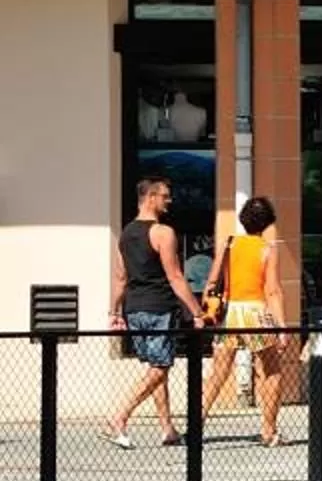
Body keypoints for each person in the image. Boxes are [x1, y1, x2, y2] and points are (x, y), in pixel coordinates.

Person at [108, 177, 207, 448]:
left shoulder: (125, 234)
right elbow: (175, 276)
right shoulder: (163, 232)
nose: (169, 200)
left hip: (134, 308)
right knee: (161, 366)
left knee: (156, 365)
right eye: (165, 195)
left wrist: (114, 311)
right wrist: (197, 311)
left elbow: (120, 278)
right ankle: (120, 416)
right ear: (150, 197)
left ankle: (167, 428)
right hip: (159, 306)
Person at [198, 196, 294, 447]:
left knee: (218, 372)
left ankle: (196, 423)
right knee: (271, 370)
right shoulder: (267, 249)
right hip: (256, 312)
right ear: (268, 222)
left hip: (230, 313)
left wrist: (208, 309)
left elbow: (212, 281)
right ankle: (269, 430)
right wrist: (282, 326)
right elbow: (272, 290)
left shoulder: (228, 244)